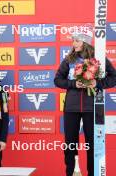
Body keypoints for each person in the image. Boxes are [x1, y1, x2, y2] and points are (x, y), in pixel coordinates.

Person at [54, 26, 116, 176]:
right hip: (71, 108)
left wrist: (98, 84)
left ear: (85, 41)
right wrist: (73, 84)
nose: (73, 43)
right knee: (70, 145)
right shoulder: (69, 59)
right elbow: (57, 80)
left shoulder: (98, 57)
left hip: (91, 108)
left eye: (76, 40)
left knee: (92, 146)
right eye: (72, 40)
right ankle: (70, 173)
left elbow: (113, 77)